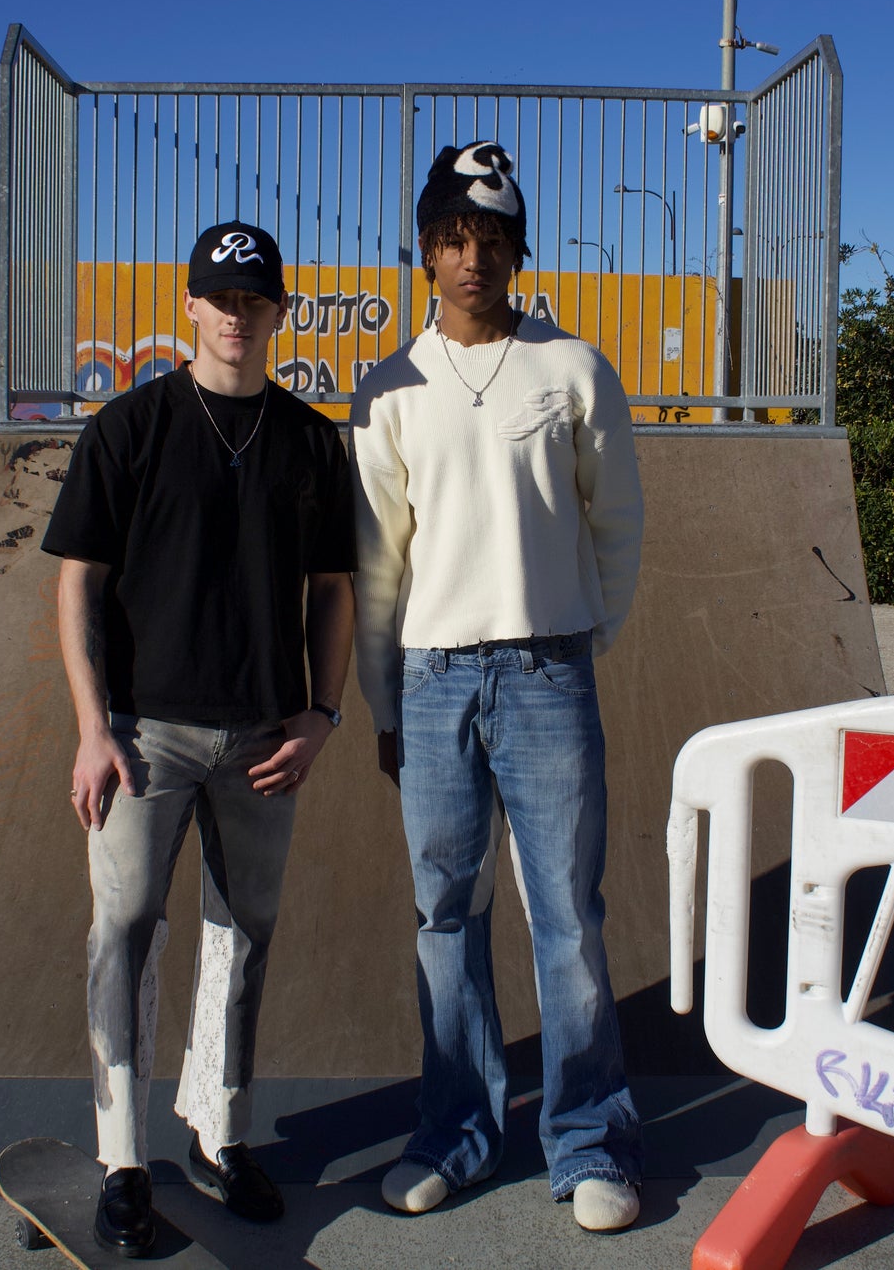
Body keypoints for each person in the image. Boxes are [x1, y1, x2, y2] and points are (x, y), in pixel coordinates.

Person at [42, 220, 356, 1257]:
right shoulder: (128, 428)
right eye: (219, 297)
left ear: (278, 311)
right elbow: (77, 579)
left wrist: (321, 712)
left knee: (241, 934)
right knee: (125, 928)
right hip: (145, 732)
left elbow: (332, 590)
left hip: (264, 736)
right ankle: (122, 1154)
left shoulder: (311, 439)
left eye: (255, 298)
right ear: (188, 305)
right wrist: (92, 728)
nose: (236, 314)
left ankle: (218, 1131)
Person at [349, 142, 645, 1232]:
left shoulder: (571, 368)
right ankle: (455, 1132)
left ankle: (588, 1141)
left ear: (518, 248)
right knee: (444, 914)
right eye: (451, 238)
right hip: (430, 687)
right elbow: (379, 563)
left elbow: (615, 522)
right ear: (425, 249)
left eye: (491, 239)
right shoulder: (386, 390)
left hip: (545, 671)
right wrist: (384, 704)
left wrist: (577, 634)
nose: (471, 258)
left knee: (565, 914)